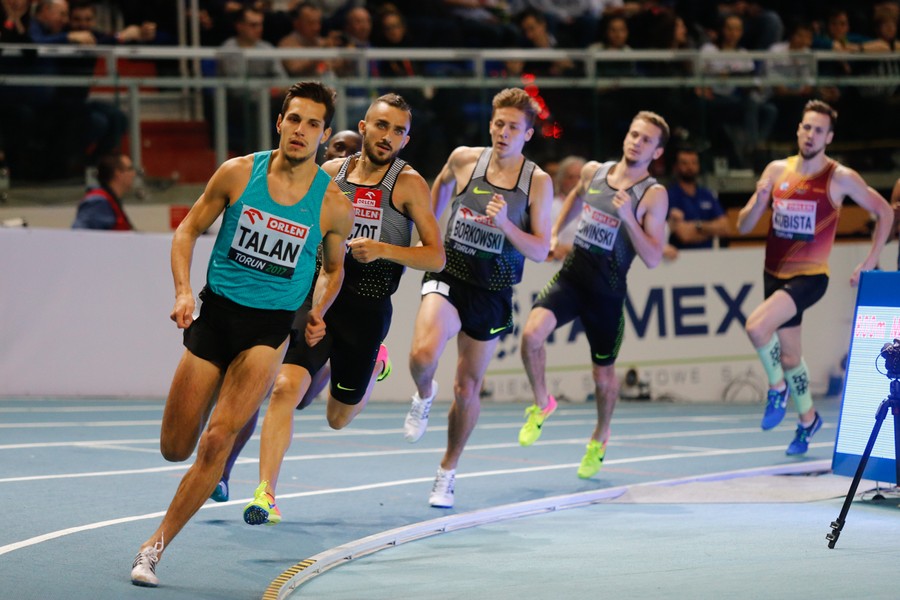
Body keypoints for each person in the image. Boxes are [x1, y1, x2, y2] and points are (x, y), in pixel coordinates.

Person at [129, 81, 353, 588]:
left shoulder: (332, 203)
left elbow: (333, 268)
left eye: (313, 123)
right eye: (294, 119)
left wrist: (319, 309)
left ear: (323, 133)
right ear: (280, 121)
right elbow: (187, 230)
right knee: (175, 446)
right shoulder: (238, 172)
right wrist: (184, 291)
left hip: (268, 331)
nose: (301, 131)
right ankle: (211, 413)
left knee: (216, 440)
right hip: (217, 316)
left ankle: (154, 545)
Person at [241, 93, 445, 525]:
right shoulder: (331, 173)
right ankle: (266, 494)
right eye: (381, 126)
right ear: (364, 126)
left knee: (337, 418)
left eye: (398, 131)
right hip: (318, 299)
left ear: (406, 140)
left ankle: (371, 368)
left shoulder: (408, 184)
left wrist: (384, 249)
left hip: (369, 309)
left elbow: (435, 256)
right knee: (283, 388)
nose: (388, 137)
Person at [402, 87, 553, 508]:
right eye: (499, 124)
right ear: (490, 125)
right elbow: (442, 184)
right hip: (450, 272)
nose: (504, 133)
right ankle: (424, 394)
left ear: (527, 134)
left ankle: (447, 471)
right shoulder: (465, 158)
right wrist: (430, 227)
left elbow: (541, 249)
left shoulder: (537, 183)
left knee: (467, 388)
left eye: (513, 128)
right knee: (421, 355)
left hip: (493, 289)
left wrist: (505, 224)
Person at [207, 125, 362, 506]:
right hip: (287, 303)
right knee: (260, 390)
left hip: (328, 309)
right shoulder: (302, 187)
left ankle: (354, 364)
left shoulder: (344, 204)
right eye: (334, 148)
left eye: (346, 152)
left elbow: (337, 268)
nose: (334, 156)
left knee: (304, 399)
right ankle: (223, 473)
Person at [518, 111, 670, 479]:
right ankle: (542, 402)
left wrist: (629, 218)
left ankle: (600, 436)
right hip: (572, 278)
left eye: (646, 139)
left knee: (603, 379)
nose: (636, 142)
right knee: (530, 336)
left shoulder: (653, 195)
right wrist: (555, 232)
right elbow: (573, 195)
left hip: (607, 293)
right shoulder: (594, 172)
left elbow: (652, 258)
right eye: (634, 134)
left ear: (657, 151)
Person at [736, 100, 893, 456]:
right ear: (798, 130)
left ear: (829, 136)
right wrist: (758, 201)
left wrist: (871, 259)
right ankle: (808, 419)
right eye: (806, 127)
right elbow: (743, 224)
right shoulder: (776, 171)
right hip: (773, 273)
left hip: (810, 277)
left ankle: (777, 389)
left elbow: (884, 211)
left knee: (757, 328)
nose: (810, 135)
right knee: (791, 357)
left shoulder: (840, 177)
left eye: (818, 130)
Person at [666, 147, 730, 250]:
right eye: (684, 163)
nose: (690, 167)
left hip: (707, 257)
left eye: (693, 163)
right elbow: (684, 236)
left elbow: (725, 228)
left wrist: (697, 226)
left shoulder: (707, 194)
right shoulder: (670, 196)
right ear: (676, 166)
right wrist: (711, 231)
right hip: (679, 258)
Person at [71, 152, 137, 230]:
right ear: (118, 173)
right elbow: (80, 234)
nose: (134, 173)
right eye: (130, 169)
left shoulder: (110, 200)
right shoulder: (98, 202)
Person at [548, 155, 585, 260]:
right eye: (570, 177)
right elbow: (548, 241)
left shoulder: (592, 208)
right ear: (561, 180)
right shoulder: (550, 206)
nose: (576, 181)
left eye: (580, 177)